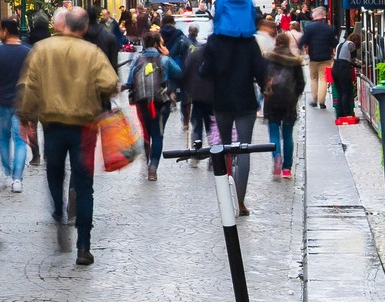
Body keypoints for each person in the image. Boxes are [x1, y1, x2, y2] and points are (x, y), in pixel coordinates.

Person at [16, 5, 118, 266]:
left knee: (55, 174)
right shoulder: (92, 52)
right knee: (84, 186)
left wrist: (25, 117)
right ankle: (83, 246)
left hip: (52, 125)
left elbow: (29, 86)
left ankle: (59, 214)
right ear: (84, 28)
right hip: (84, 127)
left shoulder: (42, 50)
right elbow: (109, 83)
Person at [192, 23, 271, 215]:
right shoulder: (249, 41)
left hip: (221, 102)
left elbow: (204, 71)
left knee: (224, 149)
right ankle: (241, 202)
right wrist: (264, 87)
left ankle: (226, 199)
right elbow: (260, 70)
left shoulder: (214, 42)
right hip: (245, 101)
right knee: (244, 150)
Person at [123, 30, 177, 182]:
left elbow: (129, 81)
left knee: (146, 132)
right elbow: (179, 72)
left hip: (142, 102)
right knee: (158, 134)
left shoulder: (138, 59)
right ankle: (153, 167)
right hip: (161, 102)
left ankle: (147, 161)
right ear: (156, 43)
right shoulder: (164, 59)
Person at [0, 17, 32, 192]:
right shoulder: (28, 52)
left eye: (0, 30)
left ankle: (6, 174)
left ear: (5, 31)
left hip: (2, 101)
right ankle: (17, 179)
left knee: (4, 138)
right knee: (21, 140)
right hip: (22, 102)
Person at [262, 30, 305, 179]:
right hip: (289, 101)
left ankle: (276, 157)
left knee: (274, 132)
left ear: (276, 43)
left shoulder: (268, 58)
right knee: (287, 134)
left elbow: (262, 78)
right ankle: (287, 169)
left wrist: (265, 92)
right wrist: (295, 96)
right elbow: (301, 83)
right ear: (288, 43)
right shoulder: (295, 60)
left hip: (272, 100)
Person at [299, 6, 340, 108]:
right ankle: (321, 101)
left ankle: (314, 99)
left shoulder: (309, 27)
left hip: (313, 57)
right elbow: (334, 43)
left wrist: (299, 49)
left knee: (313, 78)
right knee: (323, 79)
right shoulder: (329, 28)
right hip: (326, 57)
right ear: (323, 15)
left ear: (315, 15)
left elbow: (303, 40)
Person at [332, 27, 362, 124]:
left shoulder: (340, 44)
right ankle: (347, 114)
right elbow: (352, 60)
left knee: (340, 92)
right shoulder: (351, 44)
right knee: (346, 92)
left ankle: (340, 114)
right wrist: (361, 64)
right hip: (343, 69)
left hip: (335, 68)